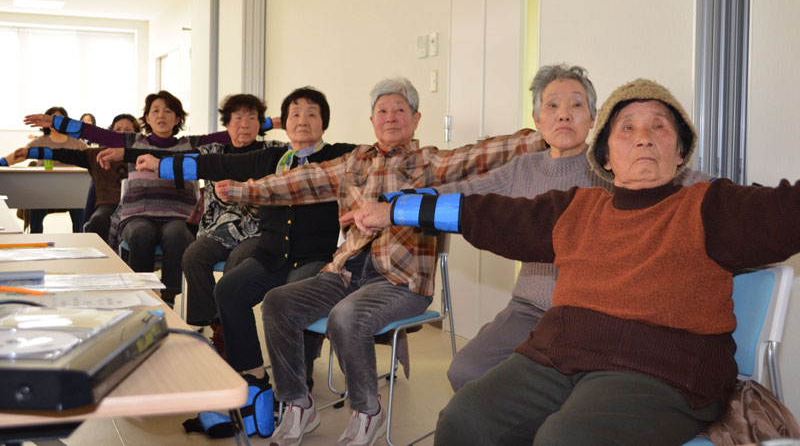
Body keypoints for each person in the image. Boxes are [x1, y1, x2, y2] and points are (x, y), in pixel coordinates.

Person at [351, 78, 800, 446]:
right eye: (627, 128)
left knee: (564, 439)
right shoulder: (578, 209)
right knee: (462, 421)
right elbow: (484, 212)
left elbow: (786, 212)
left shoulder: (711, 206)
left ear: (681, 153)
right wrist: (395, 211)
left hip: (663, 369)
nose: (643, 136)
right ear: (604, 156)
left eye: (659, 127)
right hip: (558, 356)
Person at [215, 77, 544, 446]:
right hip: (346, 272)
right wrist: (242, 189)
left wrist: (543, 132)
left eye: (400, 110)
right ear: (371, 121)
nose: (390, 118)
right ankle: (296, 403)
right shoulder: (354, 161)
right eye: (382, 111)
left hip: (400, 281)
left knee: (347, 316)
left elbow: (483, 153)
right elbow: (300, 180)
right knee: (278, 301)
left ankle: (367, 411)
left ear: (416, 119)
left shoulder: (429, 161)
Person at [437, 64, 710, 392]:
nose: (564, 115)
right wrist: (401, 204)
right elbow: (466, 192)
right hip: (526, 308)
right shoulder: (523, 167)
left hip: (590, 313)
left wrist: (734, 199)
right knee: (466, 371)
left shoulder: (609, 166)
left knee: (558, 392)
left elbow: (678, 180)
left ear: (593, 119)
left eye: (577, 105)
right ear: (537, 120)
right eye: (552, 106)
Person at [136, 87, 355, 390]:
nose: (302, 120)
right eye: (295, 114)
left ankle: (297, 380)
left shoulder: (338, 156)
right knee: (228, 289)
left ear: (324, 122)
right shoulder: (273, 157)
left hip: (314, 257)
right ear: (286, 123)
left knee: (292, 297)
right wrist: (163, 164)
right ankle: (252, 372)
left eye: (311, 114)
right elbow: (220, 165)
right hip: (271, 254)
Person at [23, 90, 274, 305]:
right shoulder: (132, 141)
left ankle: (168, 297)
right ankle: (140, 294)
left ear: (178, 118)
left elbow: (236, 130)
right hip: (138, 213)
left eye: (168, 111)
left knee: (176, 234)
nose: (162, 116)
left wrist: (282, 121)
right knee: (141, 233)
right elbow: (97, 134)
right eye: (155, 111)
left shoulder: (192, 144)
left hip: (177, 215)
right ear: (146, 117)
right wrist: (60, 123)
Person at [5, 114, 139, 243]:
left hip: (137, 206)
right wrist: (31, 152)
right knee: (98, 221)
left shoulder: (143, 153)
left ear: (136, 135)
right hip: (109, 205)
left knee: (140, 231)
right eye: (117, 130)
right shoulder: (96, 155)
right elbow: (64, 154)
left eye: (128, 131)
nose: (121, 134)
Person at [1, 106, 88, 233]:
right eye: (52, 120)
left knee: (80, 207)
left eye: (59, 120)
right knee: (36, 208)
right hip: (43, 191)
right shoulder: (40, 141)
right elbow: (19, 155)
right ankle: (35, 242)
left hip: (70, 191)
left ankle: (81, 242)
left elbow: (93, 157)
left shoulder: (77, 142)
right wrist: (2, 162)